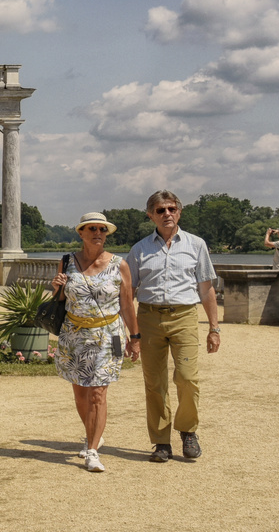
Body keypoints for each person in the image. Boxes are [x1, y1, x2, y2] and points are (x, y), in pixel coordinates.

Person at [123, 190, 221, 463]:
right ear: (150, 215)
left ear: (179, 212)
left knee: (187, 378)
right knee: (154, 383)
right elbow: (127, 293)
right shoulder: (140, 249)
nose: (166, 214)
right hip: (150, 318)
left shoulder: (196, 245)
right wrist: (132, 334)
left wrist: (214, 328)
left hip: (184, 317)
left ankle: (188, 431)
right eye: (159, 210)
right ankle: (161, 442)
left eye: (171, 208)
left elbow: (206, 289)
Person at [50, 212, 139, 473]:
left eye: (102, 229)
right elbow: (59, 299)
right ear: (81, 233)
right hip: (74, 336)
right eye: (92, 228)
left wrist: (135, 338)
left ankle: (92, 450)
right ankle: (92, 434)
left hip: (108, 336)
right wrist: (56, 287)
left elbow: (127, 304)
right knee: (81, 393)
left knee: (99, 393)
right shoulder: (67, 262)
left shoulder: (119, 264)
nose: (97, 233)